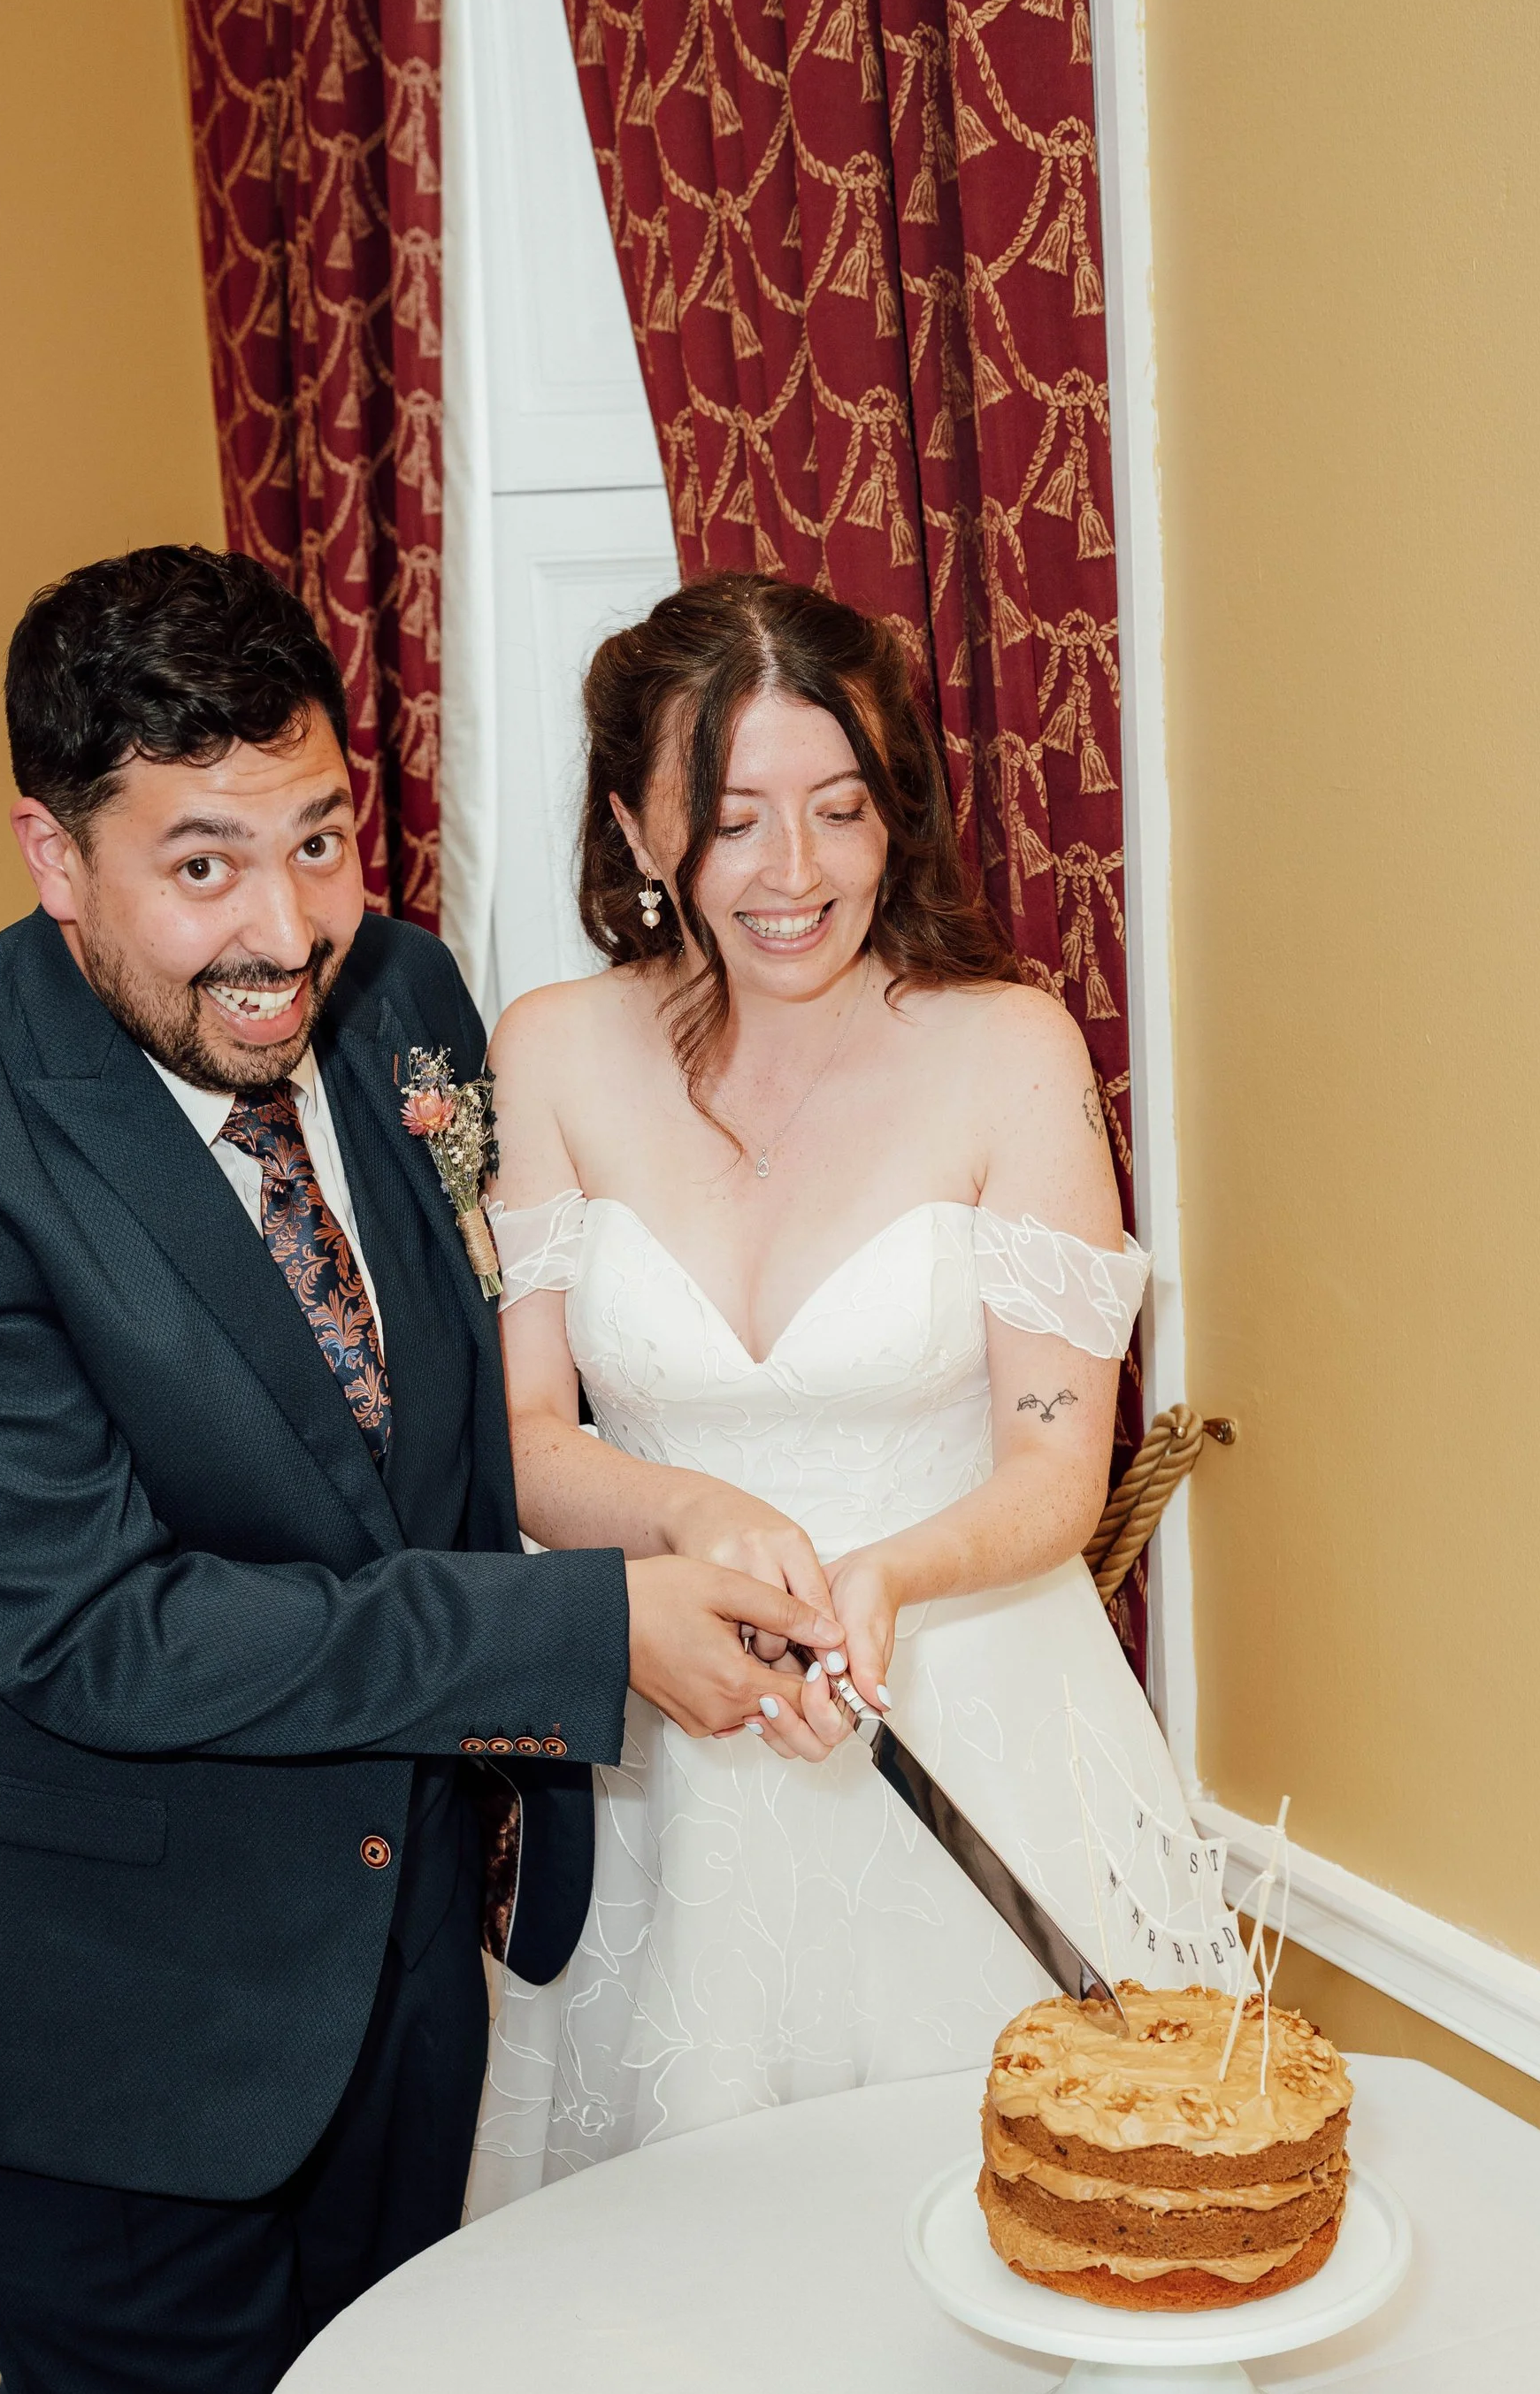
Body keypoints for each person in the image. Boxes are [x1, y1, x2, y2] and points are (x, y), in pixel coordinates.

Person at [0, 547, 842, 2394]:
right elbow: (99, 1627)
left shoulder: (414, 1008)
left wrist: (673, 1525)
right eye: (200, 865)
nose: (286, 929)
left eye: (324, 836)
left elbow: (439, 1450)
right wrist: (583, 1634)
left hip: (396, 1961)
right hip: (104, 2026)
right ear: (50, 857)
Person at [470, 574, 1242, 2207]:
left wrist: (881, 1578)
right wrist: (689, 1515)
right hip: (675, 1736)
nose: (796, 872)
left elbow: (1055, 1476)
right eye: (735, 819)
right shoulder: (547, 1051)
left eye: (841, 808)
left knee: (1047, 2221)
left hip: (970, 1704)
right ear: (636, 825)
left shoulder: (1009, 1049)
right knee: (686, 2267)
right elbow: (532, 1445)